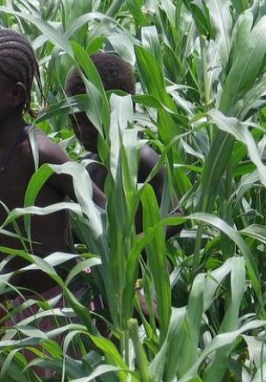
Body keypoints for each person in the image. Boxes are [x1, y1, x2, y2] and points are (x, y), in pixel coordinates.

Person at [0, 29, 104, 372]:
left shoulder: (39, 153)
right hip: (7, 300)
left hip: (56, 307)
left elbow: (106, 214)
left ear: (15, 95)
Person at [64, 52, 183, 256]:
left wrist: (131, 246)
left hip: (144, 279)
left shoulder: (140, 157)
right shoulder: (86, 167)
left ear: (119, 111)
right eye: (75, 122)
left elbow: (176, 216)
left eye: (88, 121)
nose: (82, 132)